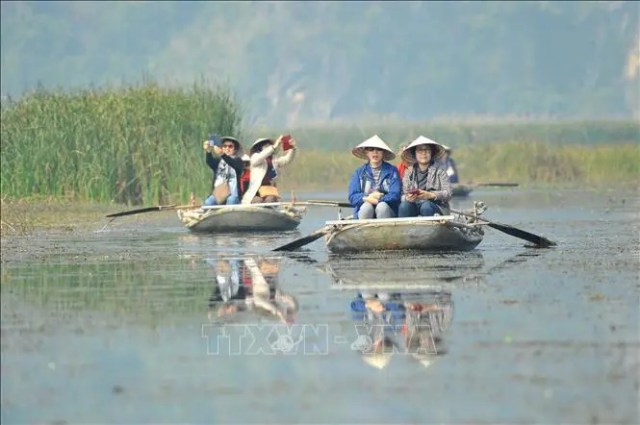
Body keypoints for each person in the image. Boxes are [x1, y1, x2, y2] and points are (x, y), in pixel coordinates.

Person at [348, 135, 402, 219]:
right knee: (366, 207)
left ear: (383, 152)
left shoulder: (392, 171)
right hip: (365, 209)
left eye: (378, 149)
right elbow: (353, 197)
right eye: (371, 149)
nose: (375, 152)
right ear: (366, 152)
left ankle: (384, 231)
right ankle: (365, 231)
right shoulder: (359, 172)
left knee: (382, 207)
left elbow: (395, 195)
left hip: (387, 211)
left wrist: (379, 199)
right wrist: (368, 197)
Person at [398, 135, 451, 217]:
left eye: (427, 150)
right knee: (404, 206)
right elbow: (403, 193)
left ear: (431, 153)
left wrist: (431, 195)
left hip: (435, 207)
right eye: (420, 150)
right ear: (414, 153)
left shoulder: (440, 171)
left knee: (426, 206)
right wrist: (407, 197)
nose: (423, 153)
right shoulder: (409, 172)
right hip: (414, 205)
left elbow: (448, 193)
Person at [241, 135, 297, 204]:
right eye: (265, 145)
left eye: (269, 145)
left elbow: (286, 160)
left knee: (270, 199)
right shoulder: (255, 157)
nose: (268, 146)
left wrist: (292, 148)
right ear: (260, 148)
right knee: (258, 201)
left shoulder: (274, 160)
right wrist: (274, 147)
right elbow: (260, 157)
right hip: (255, 191)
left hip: (269, 190)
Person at [202, 135, 244, 206]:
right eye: (225, 146)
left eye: (230, 146)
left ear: (235, 149)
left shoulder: (238, 161)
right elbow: (210, 162)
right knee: (208, 202)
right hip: (218, 194)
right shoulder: (218, 161)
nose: (227, 148)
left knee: (231, 201)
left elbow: (233, 164)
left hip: (233, 195)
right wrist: (208, 151)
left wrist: (222, 154)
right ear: (222, 148)